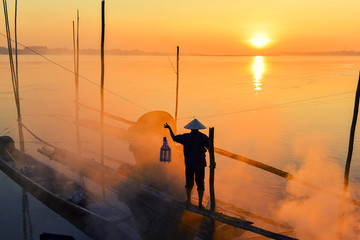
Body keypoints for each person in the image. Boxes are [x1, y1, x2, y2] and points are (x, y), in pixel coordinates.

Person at [164, 119, 209, 209]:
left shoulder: (186, 137)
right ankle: (200, 204)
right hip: (200, 164)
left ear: (191, 129)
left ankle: (188, 201)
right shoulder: (204, 137)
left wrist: (169, 128)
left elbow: (174, 138)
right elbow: (210, 148)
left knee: (189, 183)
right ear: (198, 129)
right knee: (200, 184)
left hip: (189, 164)